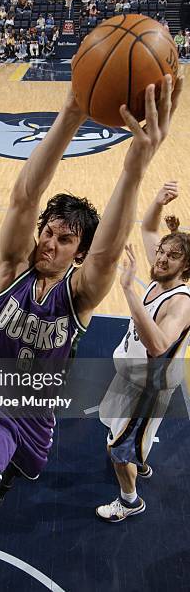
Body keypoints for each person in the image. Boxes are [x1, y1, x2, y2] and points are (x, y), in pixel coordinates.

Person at [0, 73, 182, 590]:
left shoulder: (79, 295)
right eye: (48, 232)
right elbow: (23, 195)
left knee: (5, 486)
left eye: (64, 239)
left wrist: (136, 162)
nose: (49, 243)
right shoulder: (11, 270)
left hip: (38, 413)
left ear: (79, 252)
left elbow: (109, 246)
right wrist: (72, 114)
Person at [97, 182, 190, 522]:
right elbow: (149, 227)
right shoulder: (161, 273)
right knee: (123, 433)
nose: (161, 258)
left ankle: (129, 499)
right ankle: (141, 457)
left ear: (186, 267)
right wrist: (158, 200)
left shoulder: (180, 302)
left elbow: (159, 345)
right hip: (132, 376)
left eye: (173, 255)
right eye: (162, 252)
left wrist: (129, 293)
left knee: (116, 449)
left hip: (146, 389)